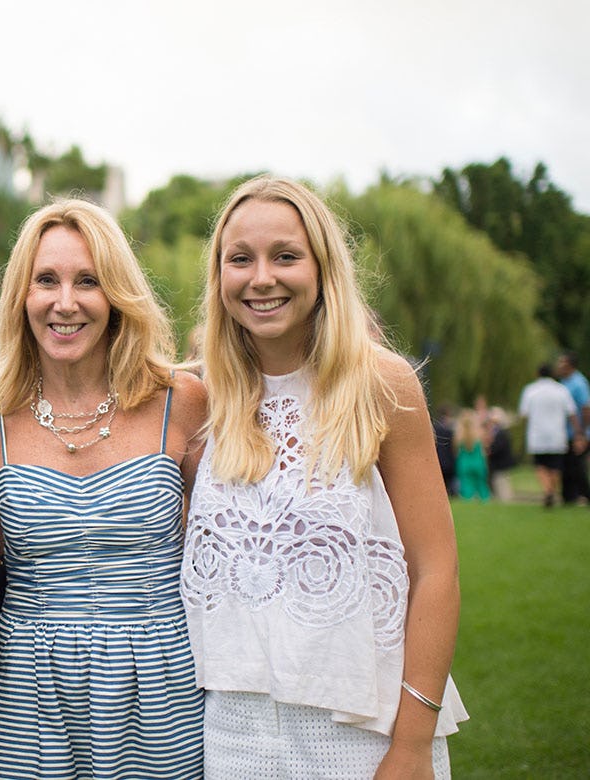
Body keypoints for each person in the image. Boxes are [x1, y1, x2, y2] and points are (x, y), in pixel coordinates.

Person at [180, 176, 468, 777]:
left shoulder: (382, 384)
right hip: (231, 735)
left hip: (365, 729)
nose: (262, 277)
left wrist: (412, 744)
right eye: (241, 259)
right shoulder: (200, 396)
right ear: (219, 276)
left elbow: (435, 569)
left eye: (285, 256)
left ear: (323, 268)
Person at [0, 198, 209, 777]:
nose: (65, 302)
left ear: (117, 297)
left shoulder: (181, 401)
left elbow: (221, 552)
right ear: (21, 298)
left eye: (88, 281)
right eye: (46, 280)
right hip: (27, 695)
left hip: (159, 684)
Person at [519, 363, 581, 508]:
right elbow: (571, 413)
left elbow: (524, 414)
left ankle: (547, 491)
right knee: (555, 466)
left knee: (540, 465)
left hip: (537, 434)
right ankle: (551, 490)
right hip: (557, 434)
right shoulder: (561, 390)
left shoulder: (530, 390)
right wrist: (578, 432)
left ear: (537, 373)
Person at [554, 351, 590, 504]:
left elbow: (586, 409)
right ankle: (569, 497)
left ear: (570, 365)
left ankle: (586, 495)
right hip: (566, 433)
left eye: (562, 362)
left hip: (578, 433)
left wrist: (581, 434)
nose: (559, 365)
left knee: (577, 467)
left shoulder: (579, 383)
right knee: (567, 467)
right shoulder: (564, 382)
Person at [453, 408, 491, 500]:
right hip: (478, 463)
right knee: (482, 485)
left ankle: (467, 500)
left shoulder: (458, 436)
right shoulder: (479, 434)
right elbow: (483, 451)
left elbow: (456, 451)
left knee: (466, 487)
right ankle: (484, 501)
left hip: (464, 464)